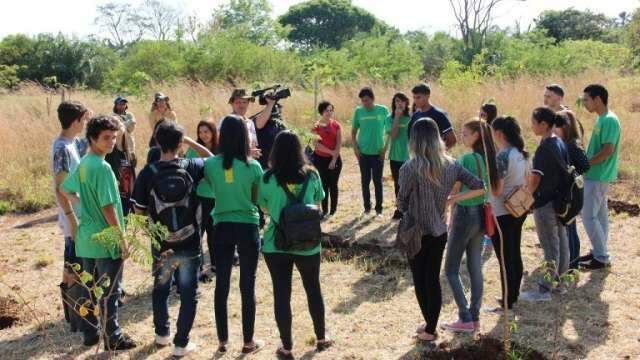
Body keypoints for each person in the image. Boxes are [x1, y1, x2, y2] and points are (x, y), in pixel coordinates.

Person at [396, 118, 483, 342]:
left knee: (420, 279)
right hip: (439, 230)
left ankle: (430, 328)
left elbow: (401, 203)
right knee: (432, 279)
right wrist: (451, 199)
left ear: (414, 140)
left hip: (415, 231)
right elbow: (479, 186)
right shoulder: (452, 164)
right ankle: (429, 325)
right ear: (437, 138)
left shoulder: (409, 167)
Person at [132, 122, 212, 357]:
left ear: (157, 142)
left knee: (161, 290)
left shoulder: (148, 172)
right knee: (188, 294)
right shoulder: (190, 165)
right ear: (180, 143)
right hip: (189, 241)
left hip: (162, 244)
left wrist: (153, 232)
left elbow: (138, 211)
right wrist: (189, 142)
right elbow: (211, 157)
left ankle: (162, 335)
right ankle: (181, 344)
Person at [61, 115, 137, 350]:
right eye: (106, 137)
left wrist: (83, 204)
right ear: (93, 138)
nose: (112, 141)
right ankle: (113, 337)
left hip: (86, 239)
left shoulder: (85, 162)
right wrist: (121, 239)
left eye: (114, 137)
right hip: (105, 240)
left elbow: (65, 188)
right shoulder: (102, 168)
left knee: (91, 289)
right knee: (109, 292)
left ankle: (90, 332)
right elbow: (108, 207)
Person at [258, 131, 334, 359]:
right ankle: (321, 338)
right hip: (308, 243)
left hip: (277, 243)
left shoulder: (267, 178)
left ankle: (287, 347)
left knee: (282, 294)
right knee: (313, 288)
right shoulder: (312, 175)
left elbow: (264, 208)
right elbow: (319, 199)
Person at [204, 115, 265, 355]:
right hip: (247, 224)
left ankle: (222, 341)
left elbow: (211, 187)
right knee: (247, 285)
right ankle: (248, 342)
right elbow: (256, 199)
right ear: (244, 137)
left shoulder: (210, 165)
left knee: (222, 285)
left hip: (221, 225)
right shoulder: (253, 166)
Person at [442, 120, 499, 332]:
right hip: (481, 216)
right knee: (475, 267)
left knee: (450, 270)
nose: (461, 137)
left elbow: (456, 189)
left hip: (465, 214)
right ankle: (474, 317)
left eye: (465, 134)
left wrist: (449, 201)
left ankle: (464, 317)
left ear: (476, 135)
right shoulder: (488, 159)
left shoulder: (466, 158)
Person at [521, 107, 571, 302]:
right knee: (561, 240)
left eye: (534, 122)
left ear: (543, 124)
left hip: (545, 202)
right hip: (559, 200)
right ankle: (560, 283)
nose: (532, 126)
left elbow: (535, 179)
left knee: (550, 245)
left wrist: (524, 199)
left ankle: (544, 289)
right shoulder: (559, 142)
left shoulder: (544, 148)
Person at [484, 116, 530, 314]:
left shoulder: (502, 156)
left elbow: (496, 190)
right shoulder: (523, 153)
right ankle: (513, 295)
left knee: (504, 256)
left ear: (499, 134)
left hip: (502, 211)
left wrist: (487, 178)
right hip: (519, 207)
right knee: (514, 252)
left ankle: (507, 301)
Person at [578, 84, 621, 270]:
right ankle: (599, 251)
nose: (584, 103)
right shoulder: (602, 119)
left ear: (597, 99)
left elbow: (608, 150)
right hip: (597, 175)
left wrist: (587, 163)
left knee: (588, 216)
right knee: (600, 215)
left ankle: (601, 256)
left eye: (586, 99)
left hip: (598, 175)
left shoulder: (609, 120)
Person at [51, 101, 89, 281]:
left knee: (80, 268)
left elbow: (89, 142)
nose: (85, 123)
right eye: (82, 120)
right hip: (73, 218)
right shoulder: (62, 148)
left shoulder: (73, 143)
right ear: (75, 121)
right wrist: (72, 220)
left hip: (80, 215)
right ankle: (73, 308)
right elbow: (60, 189)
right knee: (74, 271)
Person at [554, 110, 590, 269]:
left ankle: (572, 264)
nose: (553, 129)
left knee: (569, 229)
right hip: (571, 192)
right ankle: (572, 263)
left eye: (556, 126)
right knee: (570, 227)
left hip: (571, 193)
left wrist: (569, 171)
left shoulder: (571, 144)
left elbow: (585, 165)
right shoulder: (568, 143)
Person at [186, 120, 219, 280]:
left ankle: (215, 264)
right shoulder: (193, 150)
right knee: (198, 233)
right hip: (199, 197)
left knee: (215, 233)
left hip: (216, 197)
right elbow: (188, 172)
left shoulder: (221, 149)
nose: (203, 135)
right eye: (200, 132)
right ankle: (197, 268)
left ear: (213, 132)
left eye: (206, 131)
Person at [351, 87, 389, 217]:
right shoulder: (358, 111)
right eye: (362, 101)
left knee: (377, 181)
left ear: (372, 98)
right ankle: (367, 207)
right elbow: (353, 131)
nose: (364, 103)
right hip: (363, 153)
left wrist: (385, 148)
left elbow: (388, 131)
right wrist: (355, 148)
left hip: (379, 153)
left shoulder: (383, 110)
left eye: (366, 100)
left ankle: (379, 209)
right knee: (365, 180)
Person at [312, 101, 342, 218]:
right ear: (321, 112)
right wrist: (330, 152)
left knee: (333, 184)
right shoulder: (316, 126)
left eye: (331, 110)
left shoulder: (336, 125)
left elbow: (339, 143)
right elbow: (315, 144)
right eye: (326, 110)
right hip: (320, 159)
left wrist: (334, 158)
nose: (329, 113)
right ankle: (324, 210)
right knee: (323, 185)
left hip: (335, 159)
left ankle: (333, 210)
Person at [383, 93, 411, 220]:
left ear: (406, 103)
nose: (399, 104)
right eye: (397, 101)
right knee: (398, 184)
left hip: (410, 157)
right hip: (395, 157)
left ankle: (410, 210)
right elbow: (393, 135)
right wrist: (397, 118)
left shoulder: (412, 117)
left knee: (410, 184)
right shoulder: (389, 118)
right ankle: (400, 209)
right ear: (394, 104)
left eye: (402, 101)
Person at [408, 83, 457, 148]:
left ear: (428, 96)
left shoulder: (439, 114)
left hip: (435, 157)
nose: (415, 100)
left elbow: (452, 140)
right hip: (419, 157)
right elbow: (411, 138)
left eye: (418, 97)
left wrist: (439, 154)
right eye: (414, 97)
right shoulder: (415, 115)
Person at [224, 89, 261, 159]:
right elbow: (222, 147)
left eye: (244, 102)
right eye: (238, 102)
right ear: (232, 104)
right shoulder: (225, 121)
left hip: (248, 164)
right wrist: (247, 153)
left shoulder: (250, 123)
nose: (242, 105)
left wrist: (254, 154)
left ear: (248, 104)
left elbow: (253, 146)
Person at [252, 91, 286, 170]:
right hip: (263, 166)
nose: (277, 112)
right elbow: (259, 125)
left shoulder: (278, 124)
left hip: (278, 165)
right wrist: (270, 104)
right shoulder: (258, 120)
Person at [111, 96, 137, 167]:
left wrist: (122, 124)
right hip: (119, 148)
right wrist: (126, 124)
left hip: (130, 147)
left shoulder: (129, 115)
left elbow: (131, 127)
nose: (122, 106)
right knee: (121, 170)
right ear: (116, 105)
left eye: (124, 104)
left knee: (132, 170)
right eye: (120, 104)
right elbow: (117, 129)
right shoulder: (112, 116)